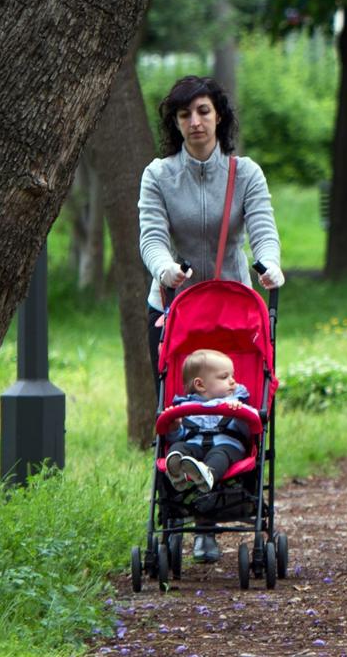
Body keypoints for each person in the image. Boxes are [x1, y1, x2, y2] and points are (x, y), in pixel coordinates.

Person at [139, 75, 283, 563]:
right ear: (175, 123)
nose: (195, 122)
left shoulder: (245, 174)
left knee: (230, 414)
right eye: (184, 115)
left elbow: (263, 230)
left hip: (234, 316)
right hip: (176, 310)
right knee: (183, 417)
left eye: (203, 111)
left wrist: (270, 265)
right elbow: (152, 237)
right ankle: (183, 517)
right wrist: (165, 270)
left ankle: (211, 520)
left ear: (218, 115)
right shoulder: (158, 175)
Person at [164, 349, 253, 494]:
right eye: (224, 377)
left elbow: (249, 432)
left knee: (220, 455)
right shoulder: (184, 407)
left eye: (232, 375)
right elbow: (177, 437)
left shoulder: (235, 402)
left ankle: (208, 474)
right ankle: (176, 472)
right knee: (179, 447)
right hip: (194, 446)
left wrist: (241, 415)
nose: (232, 381)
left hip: (227, 446)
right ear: (200, 385)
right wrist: (174, 427)